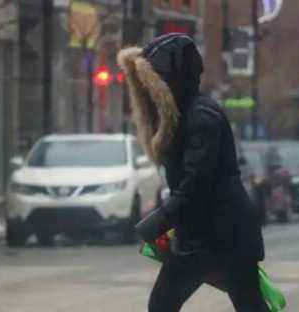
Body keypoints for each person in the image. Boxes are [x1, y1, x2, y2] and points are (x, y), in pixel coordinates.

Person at [118, 33, 268, 312]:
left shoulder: (201, 117)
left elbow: (196, 183)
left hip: (225, 235)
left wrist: (160, 219)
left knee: (244, 304)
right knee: (164, 304)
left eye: (153, 82)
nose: (147, 91)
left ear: (172, 79)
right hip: (203, 235)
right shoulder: (183, 115)